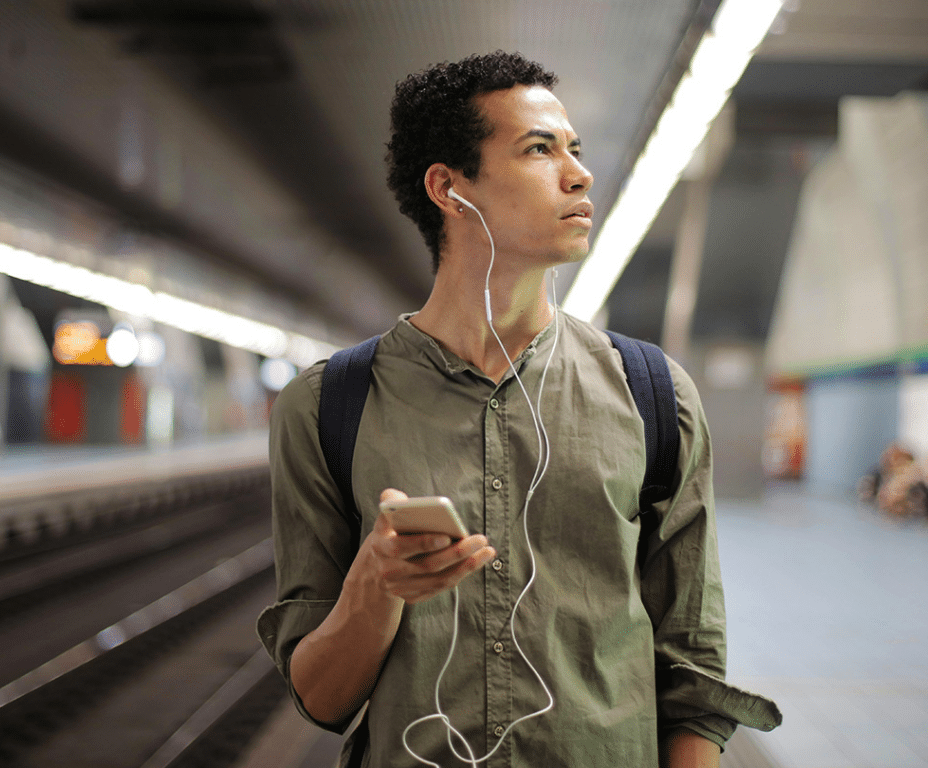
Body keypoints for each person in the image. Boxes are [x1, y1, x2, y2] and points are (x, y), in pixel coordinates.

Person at [258, 50, 780, 768]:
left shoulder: (655, 394)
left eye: (575, 149)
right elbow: (321, 697)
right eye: (539, 149)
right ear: (449, 187)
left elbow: (693, 666)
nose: (579, 173)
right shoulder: (327, 407)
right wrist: (373, 588)